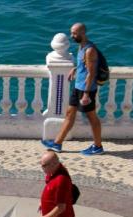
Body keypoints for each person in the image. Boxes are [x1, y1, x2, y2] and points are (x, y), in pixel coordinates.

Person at [41, 23, 105, 155]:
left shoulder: (89, 50)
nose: (72, 36)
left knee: (92, 117)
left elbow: (91, 73)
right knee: (70, 114)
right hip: (78, 87)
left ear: (82, 33)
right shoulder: (81, 47)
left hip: (86, 90)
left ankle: (98, 146)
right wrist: (76, 69)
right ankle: (57, 144)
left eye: (74, 33)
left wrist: (86, 94)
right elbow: (85, 65)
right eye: (72, 33)